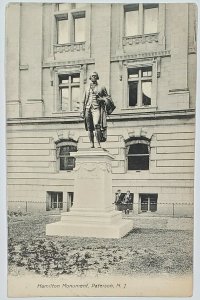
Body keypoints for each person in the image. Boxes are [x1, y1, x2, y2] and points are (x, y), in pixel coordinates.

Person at [81, 71, 115, 148]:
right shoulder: (86, 88)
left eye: (95, 76)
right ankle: (91, 144)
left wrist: (102, 99)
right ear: (90, 77)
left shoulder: (101, 87)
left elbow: (108, 98)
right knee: (89, 127)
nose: (94, 77)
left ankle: (98, 143)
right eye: (92, 76)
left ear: (97, 77)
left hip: (96, 108)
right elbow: (83, 100)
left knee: (97, 125)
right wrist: (82, 111)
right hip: (88, 108)